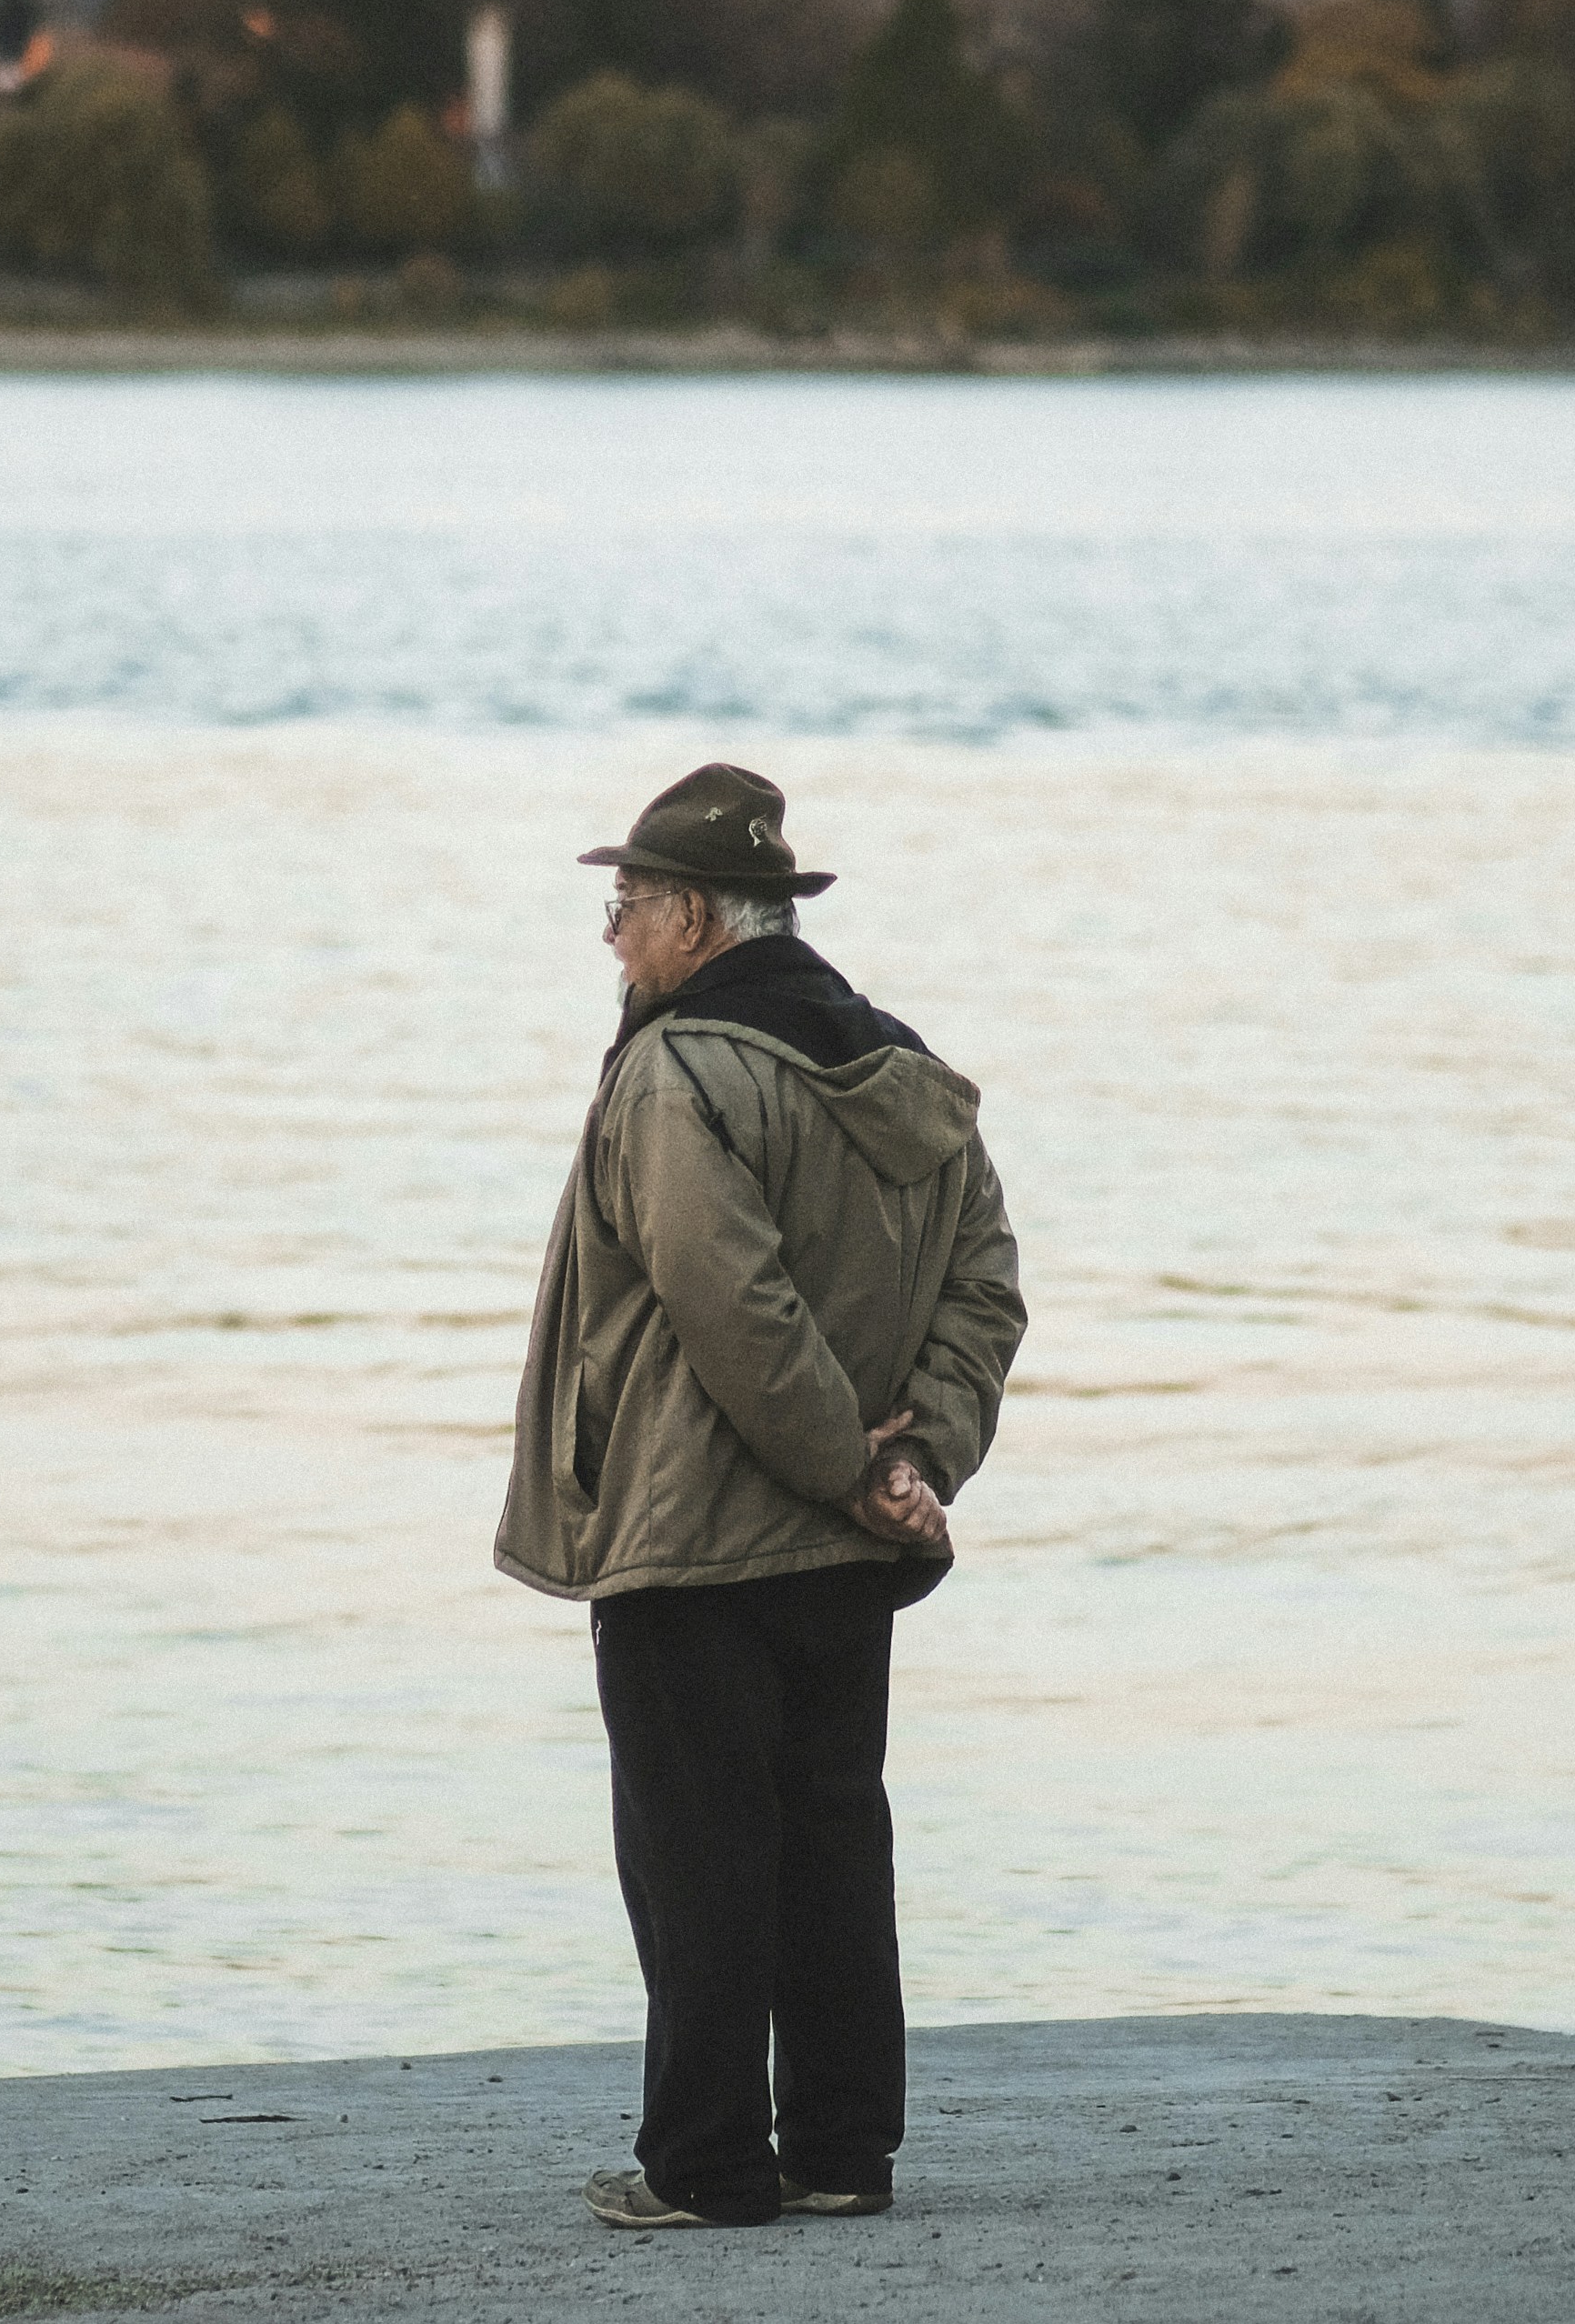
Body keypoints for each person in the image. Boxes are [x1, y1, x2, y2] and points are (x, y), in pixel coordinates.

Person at [495, 763, 1027, 2232]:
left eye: (626, 903)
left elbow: (729, 1302)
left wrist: (857, 1467)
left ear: (695, 916)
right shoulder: (907, 1066)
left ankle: (706, 2164)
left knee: (699, 1852)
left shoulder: (674, 1071)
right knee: (834, 1837)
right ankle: (844, 2153)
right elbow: (986, 1283)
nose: (611, 933)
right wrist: (917, 1463)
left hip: (692, 1533)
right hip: (847, 1548)